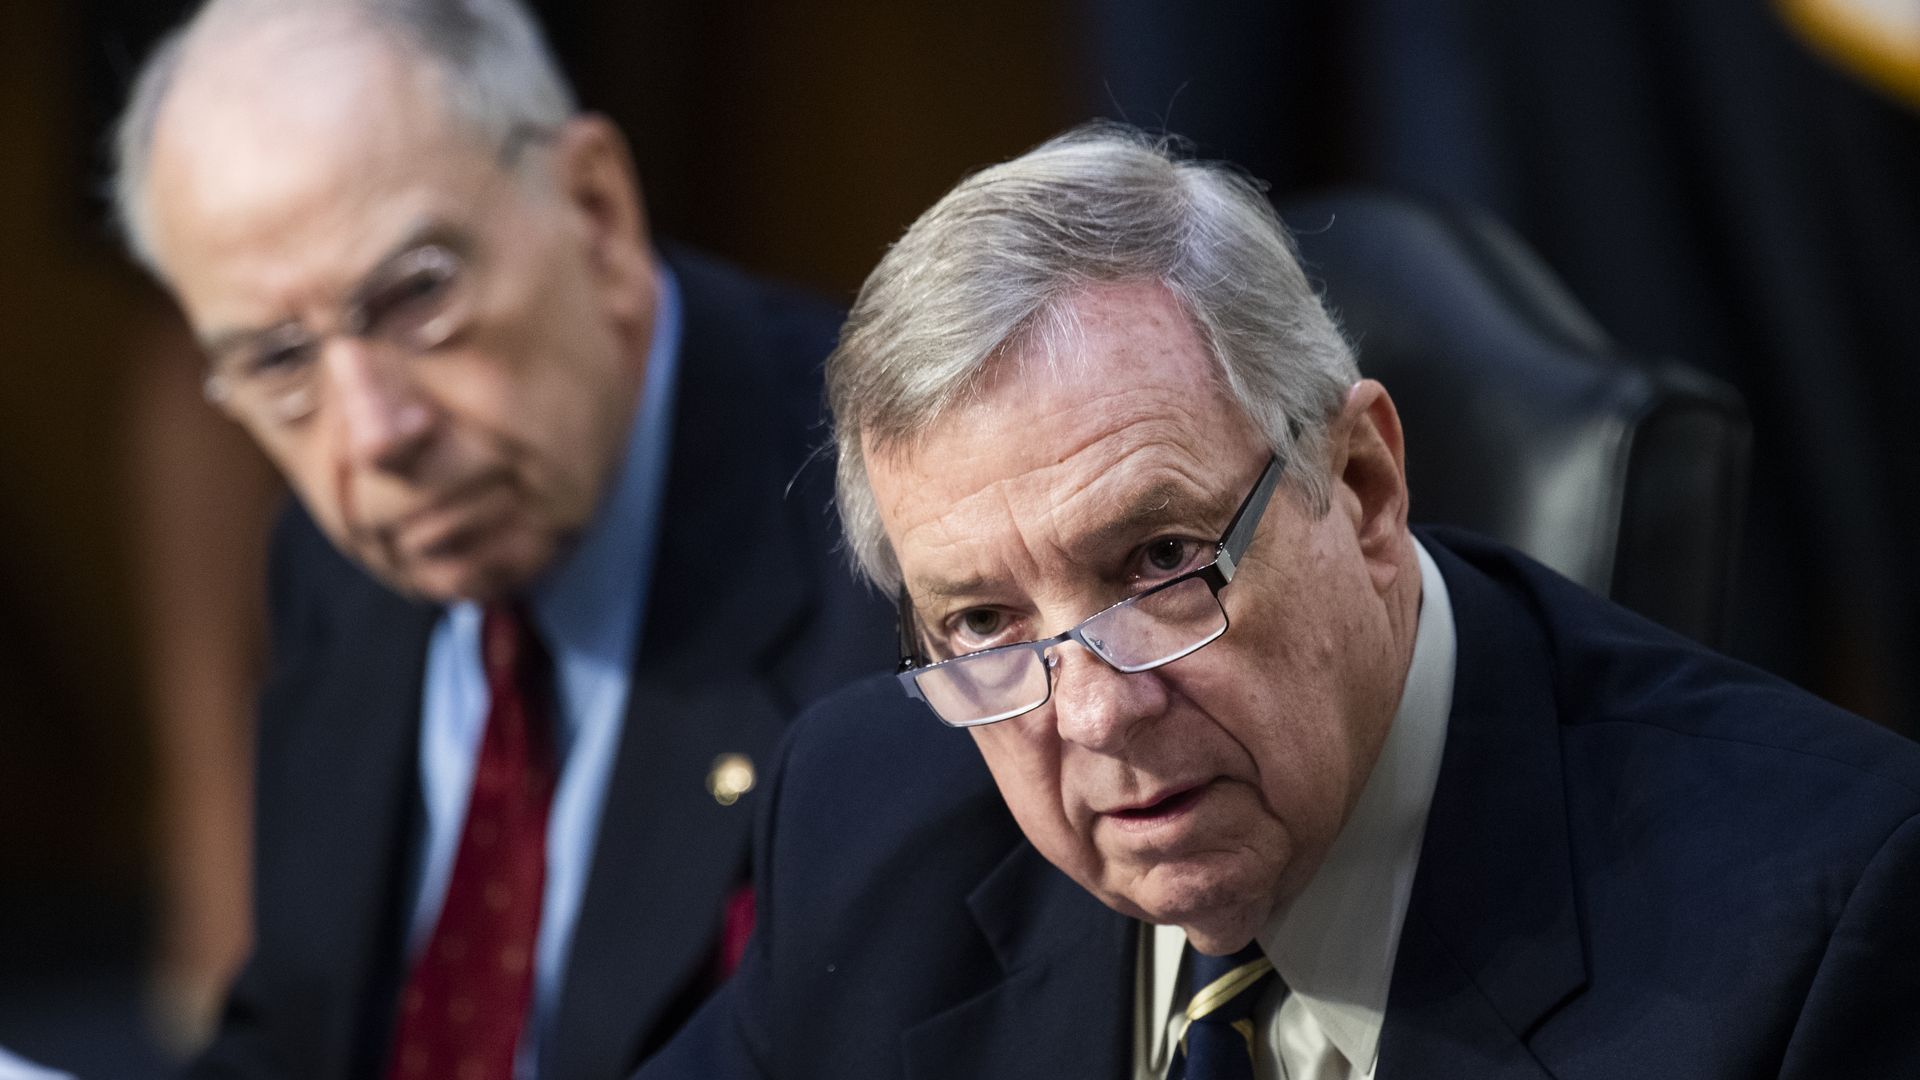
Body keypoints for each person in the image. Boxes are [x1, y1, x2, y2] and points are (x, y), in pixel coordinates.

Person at [636, 124, 1920, 1079]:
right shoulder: (866, 822)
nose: (1090, 714)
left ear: (1360, 487)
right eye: (981, 623)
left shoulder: (1819, 936)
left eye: (1157, 561)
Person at [108, 1, 892, 1077]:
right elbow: (296, 1036)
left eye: (418, 294)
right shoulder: (333, 561)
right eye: (279, 362)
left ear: (596, 209)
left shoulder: (895, 542)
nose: (374, 432)